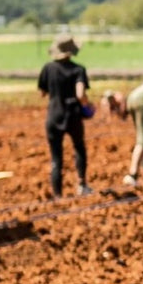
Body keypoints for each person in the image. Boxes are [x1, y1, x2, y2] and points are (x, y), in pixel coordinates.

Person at [37, 34, 92, 197]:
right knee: (79, 148)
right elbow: (80, 94)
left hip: (54, 116)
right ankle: (82, 185)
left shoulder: (48, 68)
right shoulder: (78, 69)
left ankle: (57, 194)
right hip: (73, 115)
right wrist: (87, 106)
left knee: (56, 157)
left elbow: (42, 93)